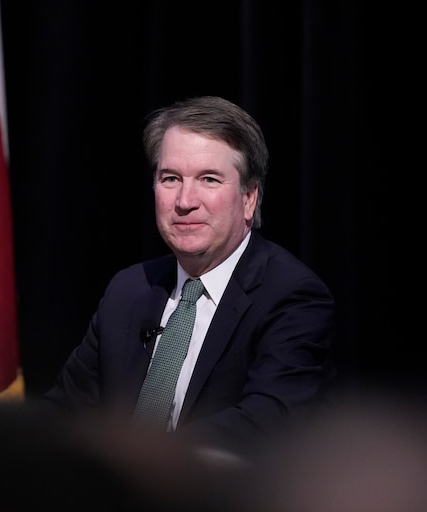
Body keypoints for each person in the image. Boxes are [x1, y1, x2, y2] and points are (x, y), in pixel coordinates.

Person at [36, 95, 336, 461]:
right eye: (170, 178)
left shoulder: (292, 296)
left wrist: (134, 459)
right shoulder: (128, 290)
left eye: (209, 179)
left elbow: (265, 423)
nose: (184, 200)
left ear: (249, 199)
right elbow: (64, 411)